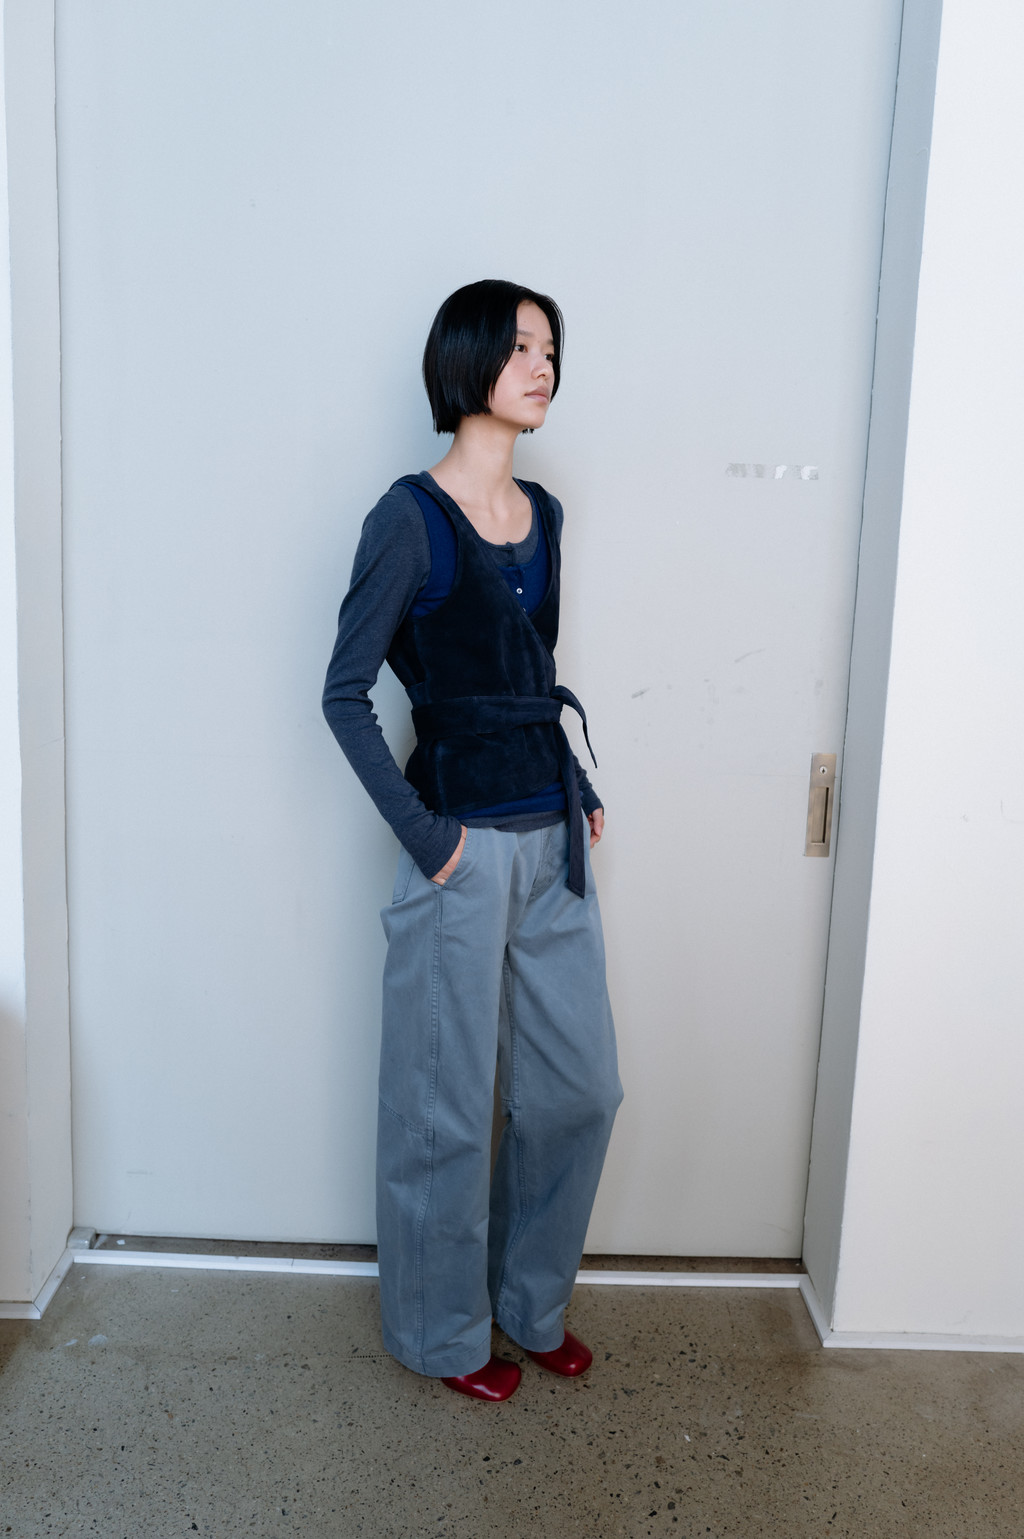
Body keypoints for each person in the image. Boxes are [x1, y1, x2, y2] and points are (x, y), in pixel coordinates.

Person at [322, 279, 622, 1402]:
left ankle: (528, 1306)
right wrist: (429, 839)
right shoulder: (407, 518)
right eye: (522, 347)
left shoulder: (546, 515)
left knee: (580, 1092)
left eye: (551, 349)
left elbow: (530, 675)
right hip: (460, 846)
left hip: (553, 838)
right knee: (442, 1111)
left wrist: (575, 784)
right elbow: (344, 693)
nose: (544, 366)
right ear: (467, 362)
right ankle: (443, 1334)